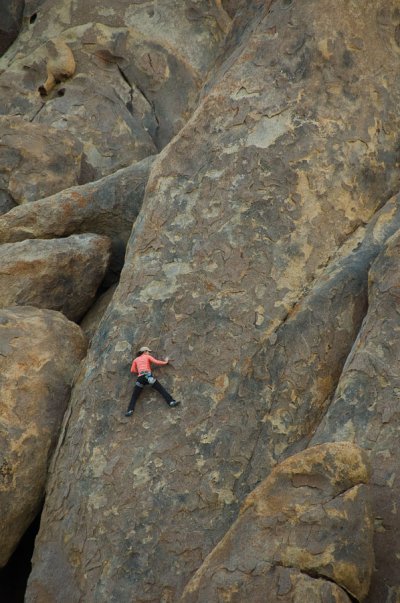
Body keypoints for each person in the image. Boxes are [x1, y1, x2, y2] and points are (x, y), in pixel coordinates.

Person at [125, 346, 180, 416]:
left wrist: (139, 371)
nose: (149, 353)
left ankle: (130, 410)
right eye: (148, 352)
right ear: (145, 352)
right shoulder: (147, 357)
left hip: (140, 378)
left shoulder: (136, 360)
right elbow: (156, 362)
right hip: (148, 377)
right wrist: (165, 362)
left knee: (134, 396)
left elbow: (132, 370)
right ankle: (171, 402)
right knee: (161, 389)